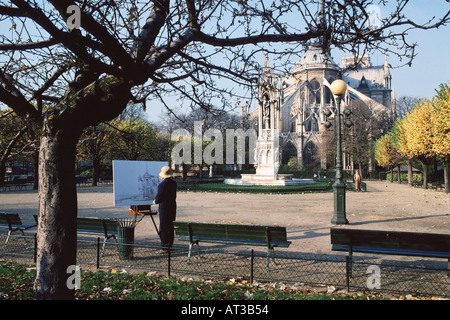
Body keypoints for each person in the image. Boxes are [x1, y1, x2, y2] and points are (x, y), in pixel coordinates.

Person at [154, 166, 177, 251]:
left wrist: (155, 201)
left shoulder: (162, 184)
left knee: (163, 227)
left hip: (164, 207)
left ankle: (164, 246)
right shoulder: (174, 183)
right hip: (172, 206)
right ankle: (170, 245)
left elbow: (159, 197)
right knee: (170, 227)